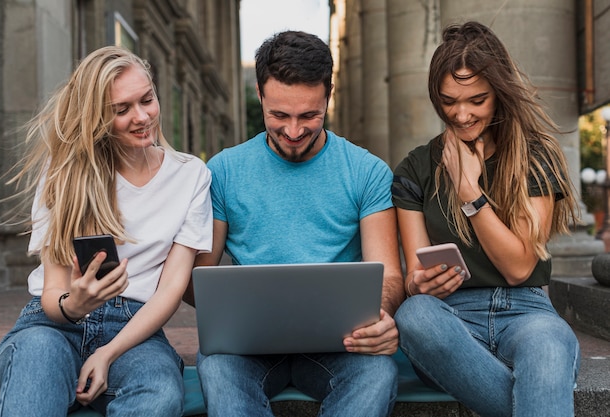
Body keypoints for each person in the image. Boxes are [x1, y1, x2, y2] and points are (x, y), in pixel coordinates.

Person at [183, 30, 405, 417]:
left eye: (309, 115)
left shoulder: (366, 171)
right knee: (217, 368)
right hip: (246, 347)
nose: (293, 131)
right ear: (259, 94)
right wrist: (221, 306)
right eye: (279, 115)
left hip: (341, 345)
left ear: (329, 94)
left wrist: (381, 316)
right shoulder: (223, 170)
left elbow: (389, 277)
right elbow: (198, 281)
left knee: (377, 374)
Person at [0, 46, 213, 416]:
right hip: (53, 326)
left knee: (159, 393)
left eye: (147, 100)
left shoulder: (191, 176)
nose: (142, 116)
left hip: (135, 330)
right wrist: (73, 305)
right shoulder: (64, 172)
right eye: (121, 110)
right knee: (35, 368)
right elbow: (53, 293)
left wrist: (107, 353)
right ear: (96, 116)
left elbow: (171, 289)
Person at [391, 21, 581, 417]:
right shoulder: (415, 169)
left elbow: (518, 267)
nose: (461, 114)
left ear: (498, 93)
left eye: (477, 100)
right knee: (414, 315)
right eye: (448, 101)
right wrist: (419, 282)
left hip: (526, 312)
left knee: (548, 346)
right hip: (448, 319)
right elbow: (414, 274)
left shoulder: (534, 156)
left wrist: (471, 195)